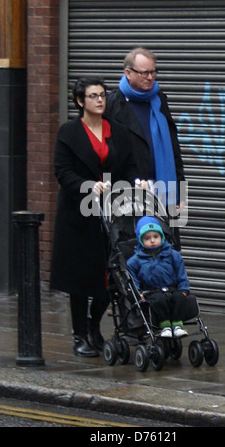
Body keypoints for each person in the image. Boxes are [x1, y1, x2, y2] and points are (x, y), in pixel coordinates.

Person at [50, 76, 138, 357]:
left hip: (111, 213)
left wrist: (137, 182)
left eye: (102, 95)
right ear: (80, 101)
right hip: (78, 213)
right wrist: (88, 186)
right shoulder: (69, 133)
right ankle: (79, 335)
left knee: (109, 275)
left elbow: (130, 167)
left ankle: (93, 324)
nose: (100, 100)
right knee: (80, 278)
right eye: (93, 96)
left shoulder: (119, 132)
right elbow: (62, 172)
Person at [105, 47, 185, 249]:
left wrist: (179, 189)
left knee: (164, 248)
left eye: (153, 72)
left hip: (161, 189)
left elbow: (173, 147)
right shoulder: (113, 103)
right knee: (131, 250)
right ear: (128, 73)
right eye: (144, 73)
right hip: (127, 191)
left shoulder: (158, 100)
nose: (150, 77)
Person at [127, 216, 196, 338]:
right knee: (159, 301)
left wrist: (184, 288)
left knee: (180, 298)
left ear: (162, 237)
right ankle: (165, 326)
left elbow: (181, 272)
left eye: (156, 237)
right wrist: (138, 292)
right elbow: (132, 278)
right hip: (151, 291)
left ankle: (177, 324)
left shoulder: (171, 254)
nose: (152, 241)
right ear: (141, 240)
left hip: (171, 288)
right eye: (147, 238)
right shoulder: (135, 260)